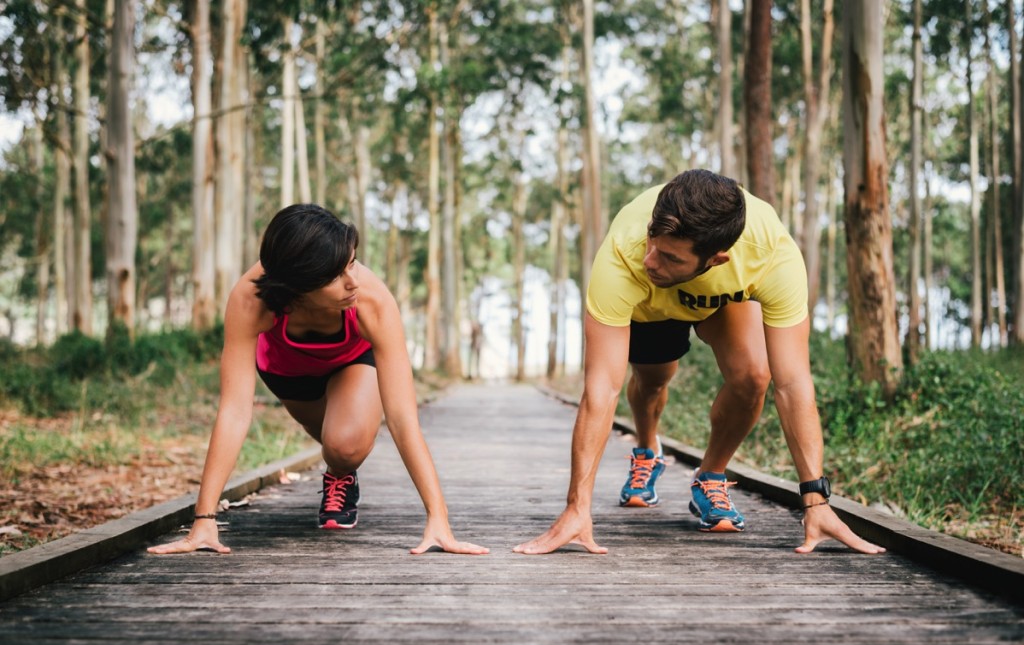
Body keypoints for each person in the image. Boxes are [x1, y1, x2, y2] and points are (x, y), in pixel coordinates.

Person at [514, 170, 885, 555]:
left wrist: (816, 501)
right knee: (654, 380)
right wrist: (577, 507)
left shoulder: (771, 254)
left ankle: (710, 475)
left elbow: (794, 384)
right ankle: (646, 449)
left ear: (716, 258)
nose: (650, 260)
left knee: (754, 376)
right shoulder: (627, 253)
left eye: (669, 256)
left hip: (721, 299)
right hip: (651, 304)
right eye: (652, 244)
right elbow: (601, 389)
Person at [149, 204, 488, 556]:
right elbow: (234, 412)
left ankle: (340, 474)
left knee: (344, 446)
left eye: (352, 262)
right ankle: (338, 463)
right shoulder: (251, 300)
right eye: (335, 276)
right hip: (286, 371)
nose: (353, 280)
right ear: (297, 284)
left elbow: (403, 418)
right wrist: (203, 518)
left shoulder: (370, 300)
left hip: (352, 361)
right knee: (330, 439)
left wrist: (438, 517)